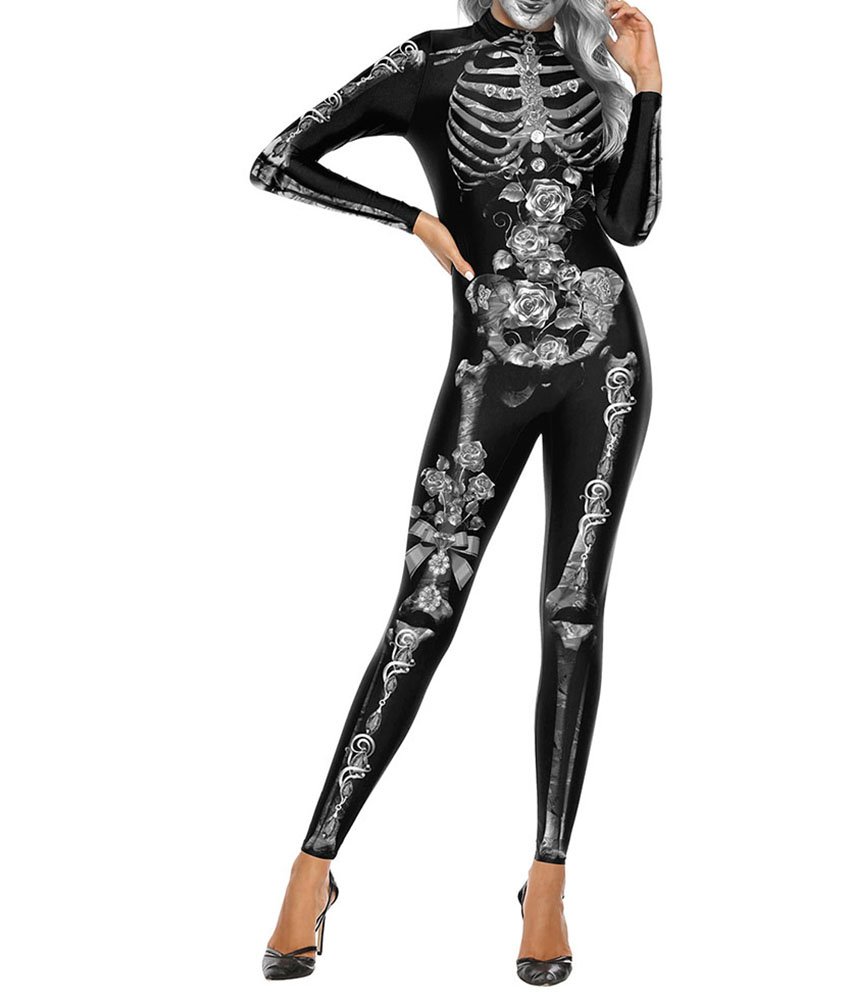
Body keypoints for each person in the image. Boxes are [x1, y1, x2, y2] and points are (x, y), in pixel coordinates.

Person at [250, 0, 662, 986]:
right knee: (423, 608)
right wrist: (414, 221)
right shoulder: (427, 62)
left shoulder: (593, 66)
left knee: (573, 611)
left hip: (605, 364)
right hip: (489, 371)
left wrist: (646, 90)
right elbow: (277, 160)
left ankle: (547, 881)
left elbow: (631, 226)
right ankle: (312, 868)